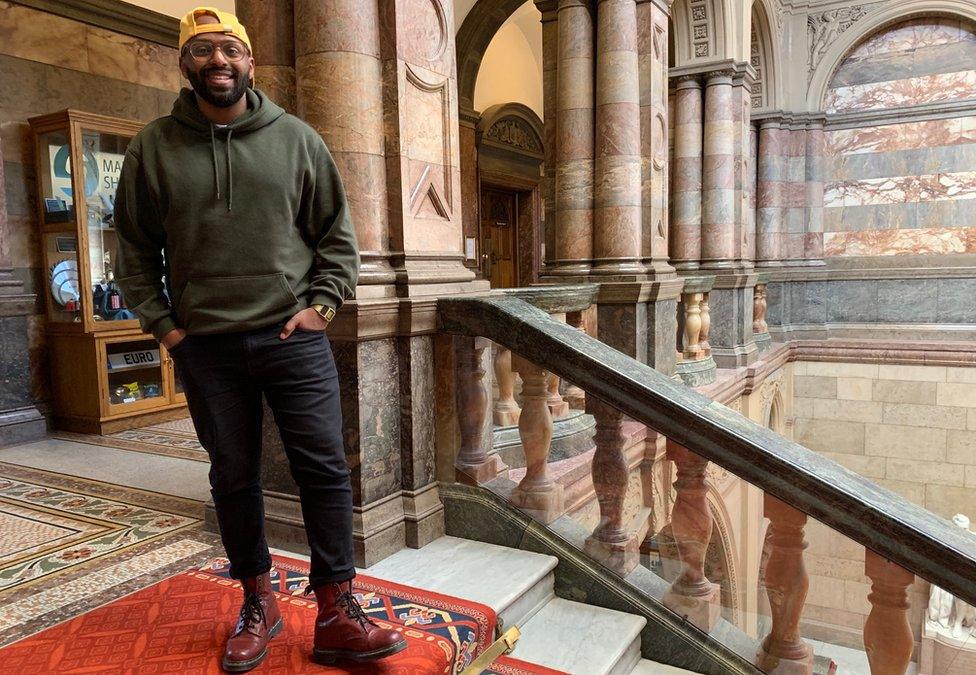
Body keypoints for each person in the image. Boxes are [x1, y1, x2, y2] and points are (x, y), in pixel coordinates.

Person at [114, 7, 406, 672]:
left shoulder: (297, 140)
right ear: (185, 64)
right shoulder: (154, 146)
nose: (218, 61)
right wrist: (166, 326)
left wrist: (323, 306)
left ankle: (336, 607)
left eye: (229, 50)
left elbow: (336, 234)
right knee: (234, 476)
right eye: (202, 51)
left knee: (325, 470)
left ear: (249, 62)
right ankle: (257, 600)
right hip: (207, 346)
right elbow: (132, 247)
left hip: (292, 337)